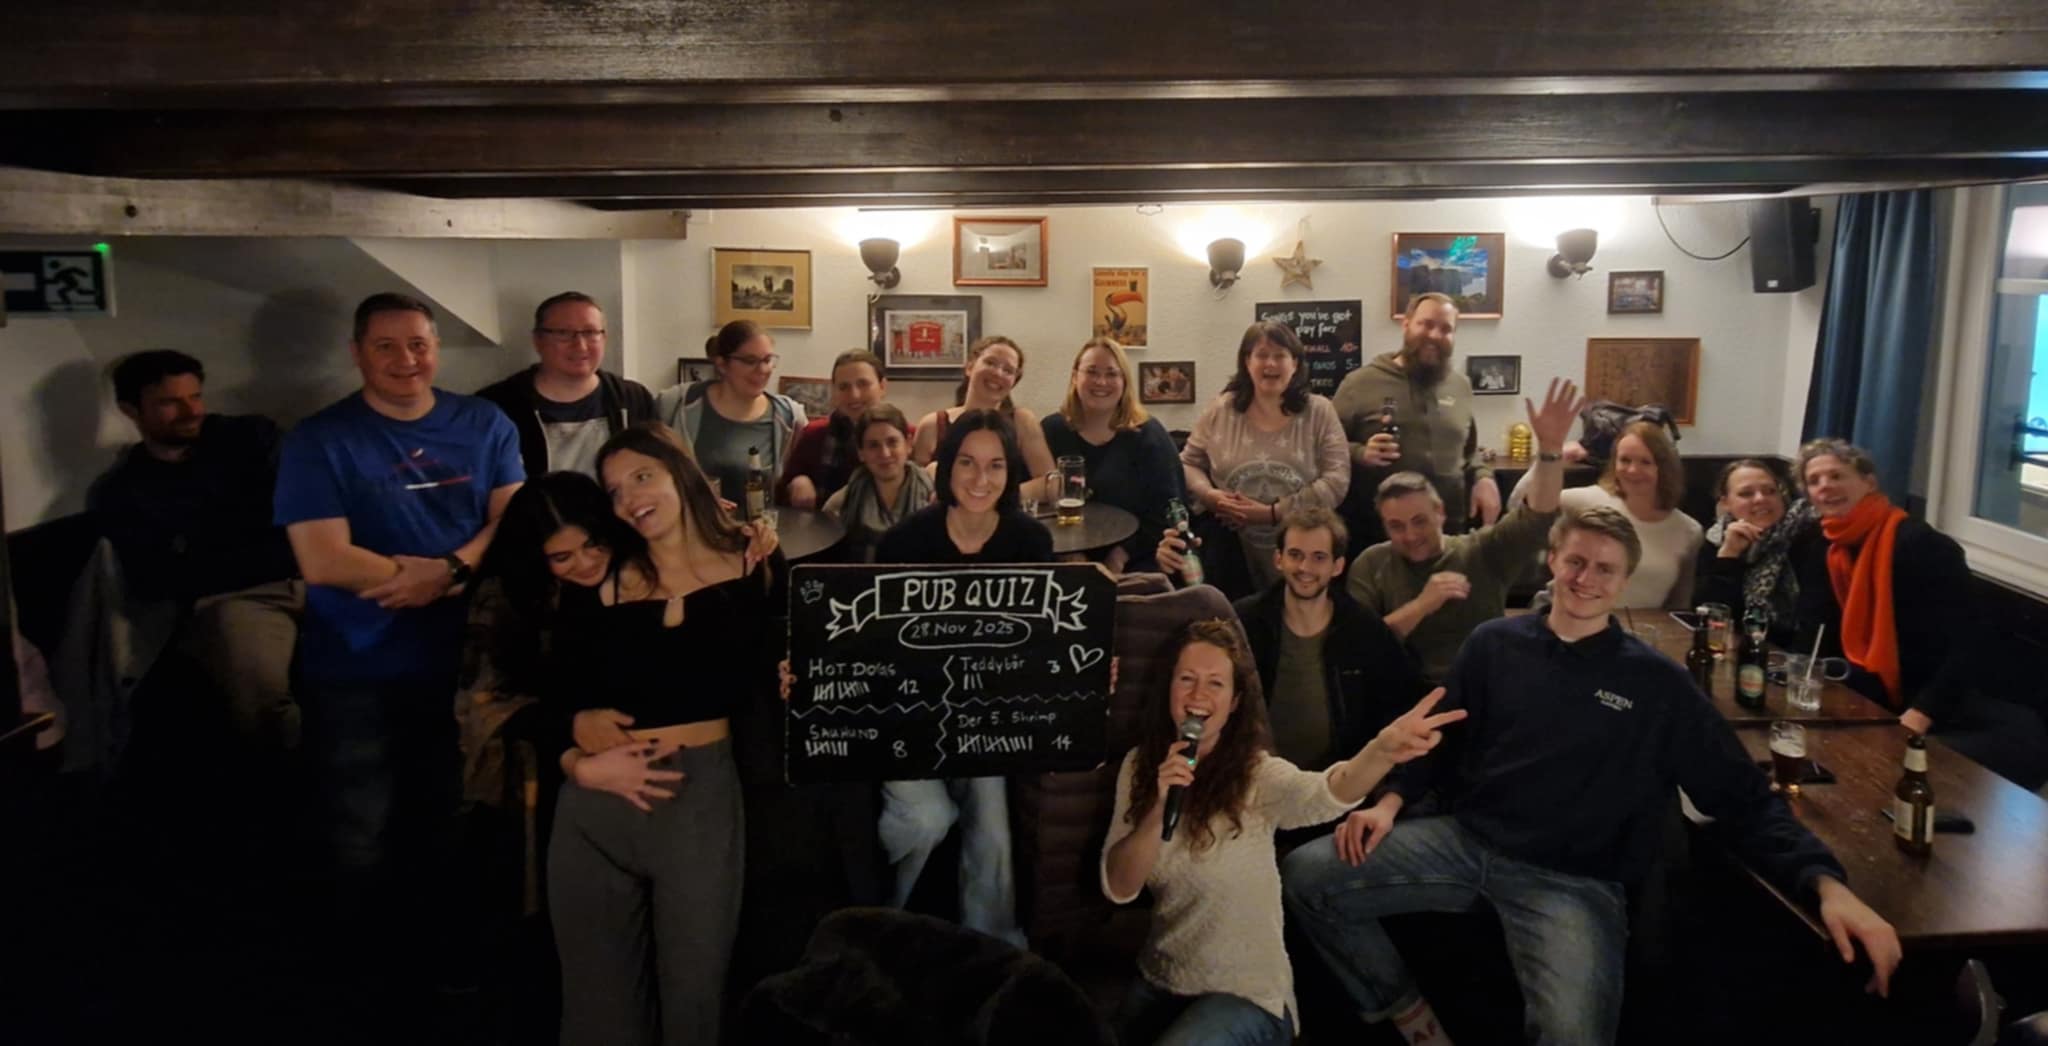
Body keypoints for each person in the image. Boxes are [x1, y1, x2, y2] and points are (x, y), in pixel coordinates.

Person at [1283, 505, 1904, 1046]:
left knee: (1573, 1034)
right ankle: (1409, 1014)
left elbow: (1740, 796)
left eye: (1605, 569)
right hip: (1466, 842)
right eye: (1575, 562)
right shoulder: (1493, 644)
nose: (1586, 579)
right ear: (1552, 561)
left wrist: (1827, 885)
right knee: (1306, 874)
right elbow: (1438, 740)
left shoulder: (1656, 683)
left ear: (1624, 581)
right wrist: (1389, 802)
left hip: (1572, 881)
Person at [273, 292, 525, 984]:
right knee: (360, 827)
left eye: (417, 343)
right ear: (357, 353)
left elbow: (512, 520)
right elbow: (322, 558)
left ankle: (440, 968)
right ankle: (361, 977)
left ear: (436, 348)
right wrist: (417, 580)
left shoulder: (485, 422)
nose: (405, 359)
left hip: (466, 658)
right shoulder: (319, 439)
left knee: (450, 814)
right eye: (385, 345)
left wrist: (447, 571)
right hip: (355, 664)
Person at [1101, 619, 1464, 1046]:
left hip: (1248, 994)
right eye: (1187, 679)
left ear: (1234, 702)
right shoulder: (1139, 767)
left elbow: (1325, 793)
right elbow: (1120, 886)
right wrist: (1158, 808)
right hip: (1162, 979)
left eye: (1215, 683)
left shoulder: (1255, 775)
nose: (1199, 695)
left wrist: (1380, 753)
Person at [548, 423, 788, 1046]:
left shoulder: (753, 559)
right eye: (615, 491)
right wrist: (574, 744)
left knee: (696, 1003)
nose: (630, 498)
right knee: (599, 1016)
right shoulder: (601, 578)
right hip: (597, 807)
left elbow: (784, 663)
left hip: (701, 799)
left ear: (678, 473)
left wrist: (794, 673)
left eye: (642, 476)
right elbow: (547, 690)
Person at [874, 408, 1053, 945]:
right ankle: (886, 927)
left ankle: (993, 946)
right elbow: (870, 646)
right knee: (926, 818)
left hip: (985, 716)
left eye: (996, 465)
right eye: (968, 463)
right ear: (947, 467)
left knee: (993, 826)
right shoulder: (903, 543)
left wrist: (1088, 665)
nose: (981, 479)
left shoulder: (1030, 541)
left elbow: (1047, 639)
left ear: (1011, 472)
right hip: (909, 715)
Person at [1791, 439, 2048, 790]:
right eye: (1815, 481)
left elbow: (1971, 642)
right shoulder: (1826, 547)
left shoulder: (1921, 544)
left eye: (1837, 475)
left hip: (1953, 706)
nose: (1826, 486)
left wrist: (1923, 712)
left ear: (1868, 482)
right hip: (1879, 696)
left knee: (1884, 778)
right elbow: (1814, 625)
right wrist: (1801, 677)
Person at [88, 349, 303, 752]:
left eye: (195, 397)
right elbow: (156, 580)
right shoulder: (125, 490)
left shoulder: (250, 437)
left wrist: (205, 549)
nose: (191, 411)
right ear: (130, 410)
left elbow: (303, 512)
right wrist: (254, 548)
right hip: (237, 599)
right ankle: (287, 782)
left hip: (319, 572)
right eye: (170, 402)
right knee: (259, 697)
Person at [1345, 379, 1585, 684]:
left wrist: (1550, 451)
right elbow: (1360, 646)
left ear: (1440, 513)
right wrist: (1422, 605)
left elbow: (1539, 515)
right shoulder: (1371, 565)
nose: (1410, 535)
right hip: (1403, 692)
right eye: (1396, 526)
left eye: (1420, 521)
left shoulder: (1482, 550)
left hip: (1481, 690)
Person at [1213, 506, 1427, 775]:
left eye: (1318, 557)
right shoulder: (1244, 622)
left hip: (1339, 782)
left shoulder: (1364, 629)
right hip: (1253, 777)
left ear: (1337, 566)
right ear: (1278, 559)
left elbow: (1399, 706)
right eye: (1295, 555)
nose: (1305, 568)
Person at [1181, 320, 1350, 600]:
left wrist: (1272, 513)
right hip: (1230, 550)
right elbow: (1188, 463)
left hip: (1304, 549)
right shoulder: (1220, 409)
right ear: (1247, 362)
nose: (1270, 363)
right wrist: (1210, 496)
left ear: (1295, 363)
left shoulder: (1320, 412)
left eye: (1280, 355)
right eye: (1261, 355)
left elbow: (1337, 481)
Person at [1332, 292, 1497, 547]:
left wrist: (1484, 477)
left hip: (1449, 537)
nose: (1435, 335)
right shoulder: (1359, 383)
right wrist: (1361, 453)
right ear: (1406, 324)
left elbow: (1468, 450)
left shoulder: (1460, 386)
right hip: (1377, 538)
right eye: (1426, 324)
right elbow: (1326, 448)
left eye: (1446, 329)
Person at [1513, 418, 1700, 609]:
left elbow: (1679, 604)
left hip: (1642, 626)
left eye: (1646, 462)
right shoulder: (1585, 501)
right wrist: (1552, 458)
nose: (1633, 470)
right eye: (1625, 460)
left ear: (1664, 468)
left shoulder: (1689, 531)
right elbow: (1519, 505)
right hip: (1567, 618)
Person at [477, 291, 657, 478]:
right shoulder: (494, 407)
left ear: (604, 338)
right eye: (564, 333)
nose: (580, 345)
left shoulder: (634, 399)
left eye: (590, 333)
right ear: (538, 340)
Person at [1041, 336, 1184, 573]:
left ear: (1124, 381)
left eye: (1111, 374)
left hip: (1137, 560)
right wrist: (1068, 553)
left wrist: (1120, 556)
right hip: (1061, 561)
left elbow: (1170, 508)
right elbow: (1032, 506)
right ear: (1075, 377)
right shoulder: (1050, 431)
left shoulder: (1149, 435)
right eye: (1091, 372)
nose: (1101, 381)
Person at [656, 319, 809, 505]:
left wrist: (802, 480)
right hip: (691, 521)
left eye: (767, 360)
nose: (762, 370)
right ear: (722, 364)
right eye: (750, 361)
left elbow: (801, 474)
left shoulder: (790, 417)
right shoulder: (676, 405)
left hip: (760, 523)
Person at [909, 334, 1057, 497]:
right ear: (969, 367)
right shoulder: (933, 425)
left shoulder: (1022, 421)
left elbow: (1052, 483)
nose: (998, 373)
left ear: (1013, 382)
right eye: (990, 363)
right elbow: (915, 488)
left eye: (1008, 370)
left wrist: (995, 499)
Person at [1695, 459, 1816, 639]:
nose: (1760, 499)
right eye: (1746, 494)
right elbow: (1709, 615)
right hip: (1736, 645)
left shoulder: (1805, 535)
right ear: (1725, 503)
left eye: (1770, 491)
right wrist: (1728, 555)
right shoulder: (1716, 539)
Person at [779, 349, 896, 509]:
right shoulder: (814, 435)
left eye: (863, 384)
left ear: (882, 386)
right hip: (824, 523)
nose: (854, 395)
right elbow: (780, 495)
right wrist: (798, 482)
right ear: (834, 391)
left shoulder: (904, 436)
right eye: (844, 387)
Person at [821, 403, 934, 564]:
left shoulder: (935, 498)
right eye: (873, 445)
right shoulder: (838, 506)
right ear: (861, 453)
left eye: (892, 442)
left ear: (908, 445)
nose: (885, 453)